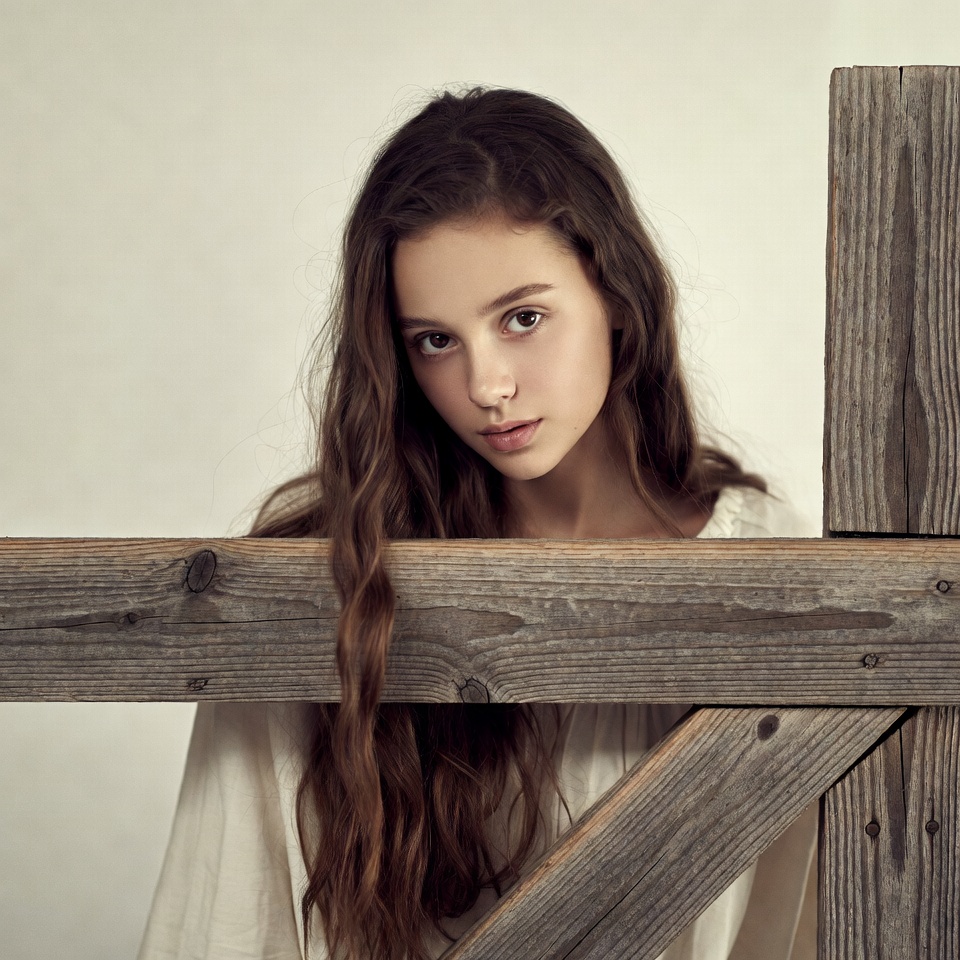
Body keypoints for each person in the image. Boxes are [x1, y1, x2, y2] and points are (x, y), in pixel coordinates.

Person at [138, 87, 817, 960]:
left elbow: (804, 921)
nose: (486, 385)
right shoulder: (323, 575)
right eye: (434, 340)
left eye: (523, 319)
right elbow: (229, 914)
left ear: (616, 293)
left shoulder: (770, 563)